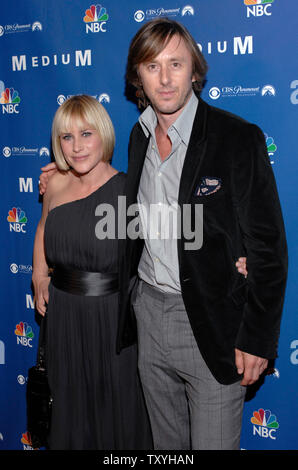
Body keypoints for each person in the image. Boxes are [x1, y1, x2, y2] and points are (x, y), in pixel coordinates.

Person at [115, 19, 288, 450]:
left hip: (213, 325)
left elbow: (268, 248)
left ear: (195, 70)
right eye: (152, 66)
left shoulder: (237, 137)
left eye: (176, 63)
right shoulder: (139, 138)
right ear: (138, 77)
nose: (166, 78)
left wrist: (257, 337)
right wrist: (62, 178)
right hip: (149, 317)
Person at [32, 94, 152, 450]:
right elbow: (42, 230)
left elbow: (176, 242)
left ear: (104, 134)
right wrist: (39, 275)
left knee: (116, 416)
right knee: (69, 414)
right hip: (64, 319)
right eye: (66, 137)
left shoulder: (131, 191)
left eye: (86, 134)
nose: (76, 146)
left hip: (112, 323)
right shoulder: (53, 184)